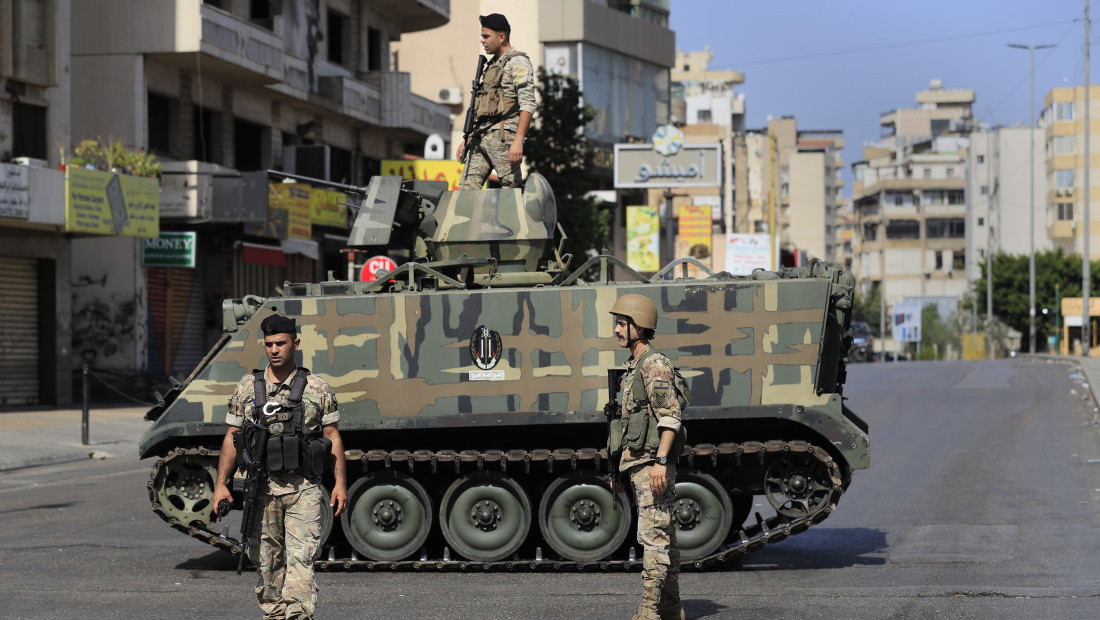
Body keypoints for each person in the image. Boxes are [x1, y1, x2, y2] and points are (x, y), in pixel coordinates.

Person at [211, 313, 348, 620]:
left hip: (303, 489)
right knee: (267, 568)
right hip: (260, 491)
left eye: (281, 343)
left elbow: (332, 436)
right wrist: (221, 483)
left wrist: (340, 483)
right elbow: (232, 437)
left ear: (295, 343)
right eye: (269, 344)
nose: (274, 349)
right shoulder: (247, 387)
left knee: (301, 564)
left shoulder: (317, 388)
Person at [608, 294, 684, 620]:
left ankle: (649, 612)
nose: (616, 330)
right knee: (663, 537)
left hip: (652, 464)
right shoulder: (635, 366)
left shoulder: (654, 365)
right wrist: (617, 470)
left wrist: (660, 462)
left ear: (639, 326)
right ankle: (670, 607)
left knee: (654, 539)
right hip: (639, 463)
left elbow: (670, 417)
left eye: (621, 323)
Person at [457, 13, 536, 189]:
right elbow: (483, 107)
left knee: (511, 194)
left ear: (502, 37)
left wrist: (518, 141)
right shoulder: (491, 65)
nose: (482, 41)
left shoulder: (518, 62)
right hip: (481, 137)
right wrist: (468, 137)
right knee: (465, 193)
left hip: (504, 138)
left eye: (486, 36)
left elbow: (528, 103)